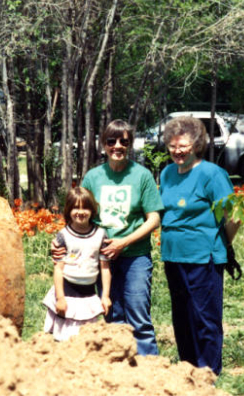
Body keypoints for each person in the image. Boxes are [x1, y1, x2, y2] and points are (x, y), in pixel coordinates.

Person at [56, 119, 164, 355]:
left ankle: (149, 371)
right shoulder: (94, 177)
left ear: (130, 144)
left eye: (123, 141)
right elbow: (78, 213)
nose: (117, 146)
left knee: (138, 314)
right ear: (103, 145)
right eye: (111, 141)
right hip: (101, 257)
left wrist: (124, 242)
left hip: (135, 256)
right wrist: (63, 243)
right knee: (111, 312)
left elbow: (154, 218)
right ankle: (120, 367)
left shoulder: (142, 175)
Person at [159, 116, 240, 375]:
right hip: (173, 256)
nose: (177, 151)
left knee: (205, 319)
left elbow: (234, 217)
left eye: (183, 145)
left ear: (196, 144)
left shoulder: (212, 174)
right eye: (172, 146)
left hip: (203, 257)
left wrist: (223, 244)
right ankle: (188, 371)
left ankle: (208, 375)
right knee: (182, 318)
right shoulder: (167, 173)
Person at [43, 187, 112, 341]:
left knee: (85, 339)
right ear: (68, 210)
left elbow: (105, 268)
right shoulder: (63, 236)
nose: (80, 212)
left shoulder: (101, 235)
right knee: (64, 338)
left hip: (88, 293)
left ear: (92, 210)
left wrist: (105, 296)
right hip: (67, 294)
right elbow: (58, 269)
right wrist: (60, 298)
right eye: (76, 208)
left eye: (85, 208)